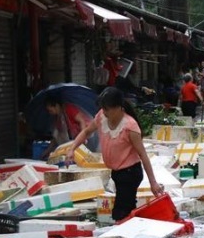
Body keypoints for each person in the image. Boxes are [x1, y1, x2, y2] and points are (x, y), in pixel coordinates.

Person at [67, 87, 164, 221]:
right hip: (117, 173)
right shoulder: (101, 116)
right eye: (103, 108)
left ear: (118, 107)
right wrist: (72, 149)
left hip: (130, 173)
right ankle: (132, 231)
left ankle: (128, 234)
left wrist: (153, 183)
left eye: (107, 109)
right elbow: (87, 132)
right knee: (126, 210)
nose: (104, 112)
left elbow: (143, 155)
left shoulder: (130, 127)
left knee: (121, 213)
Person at [40, 93, 96, 160]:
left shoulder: (69, 108)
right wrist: (47, 151)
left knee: (89, 158)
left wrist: (83, 138)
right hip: (78, 140)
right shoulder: (58, 118)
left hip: (88, 136)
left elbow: (82, 121)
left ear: (57, 106)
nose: (50, 113)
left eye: (50, 110)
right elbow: (56, 137)